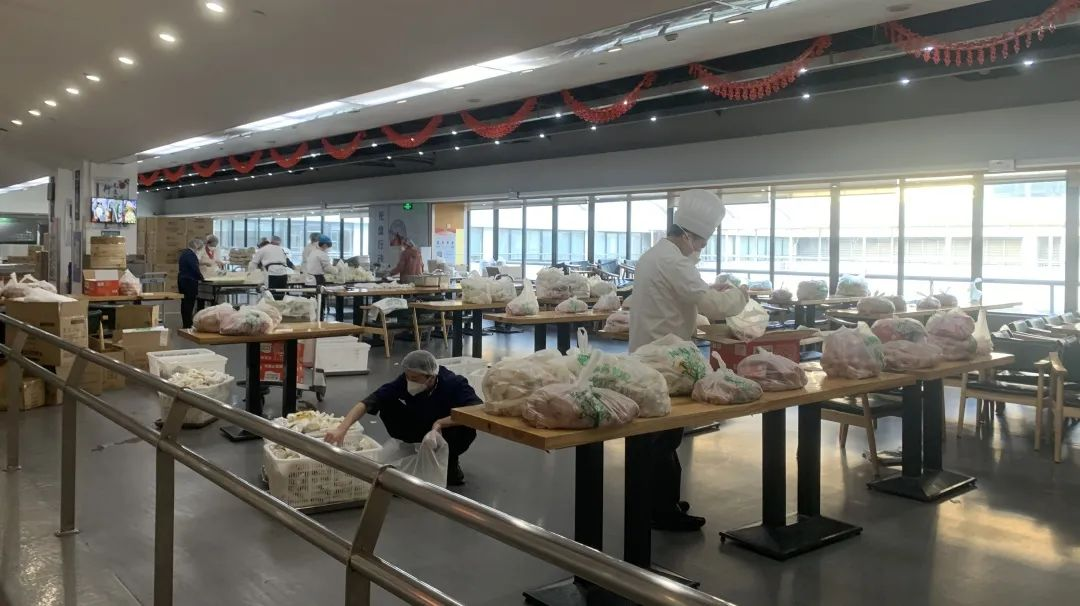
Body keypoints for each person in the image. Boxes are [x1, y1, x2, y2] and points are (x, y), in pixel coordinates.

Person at [630, 189, 749, 532]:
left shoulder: (655, 255)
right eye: (700, 242)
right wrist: (741, 295)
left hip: (650, 352)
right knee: (664, 437)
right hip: (664, 359)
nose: (699, 249)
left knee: (660, 435)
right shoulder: (674, 261)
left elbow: (686, 294)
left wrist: (711, 291)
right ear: (687, 235)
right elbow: (713, 305)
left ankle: (659, 502)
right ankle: (660, 510)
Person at [324, 351, 478, 486]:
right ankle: (417, 451)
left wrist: (440, 424)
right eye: (407, 376)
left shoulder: (454, 384)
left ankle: (450, 461)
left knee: (463, 428)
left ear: (431, 378)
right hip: (423, 423)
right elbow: (370, 401)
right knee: (386, 401)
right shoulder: (405, 381)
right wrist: (342, 429)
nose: (410, 382)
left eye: (415, 378)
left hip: (450, 432)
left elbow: (476, 410)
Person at [303, 235, 334, 319]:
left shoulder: (313, 252)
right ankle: (320, 319)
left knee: (311, 302)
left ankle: (311, 319)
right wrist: (336, 270)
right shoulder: (322, 254)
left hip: (309, 279)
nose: (328, 249)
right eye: (328, 247)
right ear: (324, 245)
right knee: (319, 301)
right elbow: (328, 268)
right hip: (317, 280)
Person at [178, 238, 204, 328]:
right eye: (199, 248)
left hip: (183, 280)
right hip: (189, 281)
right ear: (196, 246)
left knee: (184, 302)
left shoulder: (185, 253)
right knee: (189, 303)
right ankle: (188, 323)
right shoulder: (191, 255)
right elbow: (194, 268)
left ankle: (186, 323)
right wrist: (202, 278)